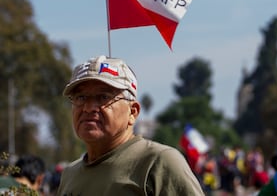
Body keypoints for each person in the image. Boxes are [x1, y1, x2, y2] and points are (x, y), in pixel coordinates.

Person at [56, 55, 204, 196]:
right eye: (80, 97)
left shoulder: (157, 163)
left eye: (103, 97)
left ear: (132, 112)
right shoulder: (70, 174)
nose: (88, 108)